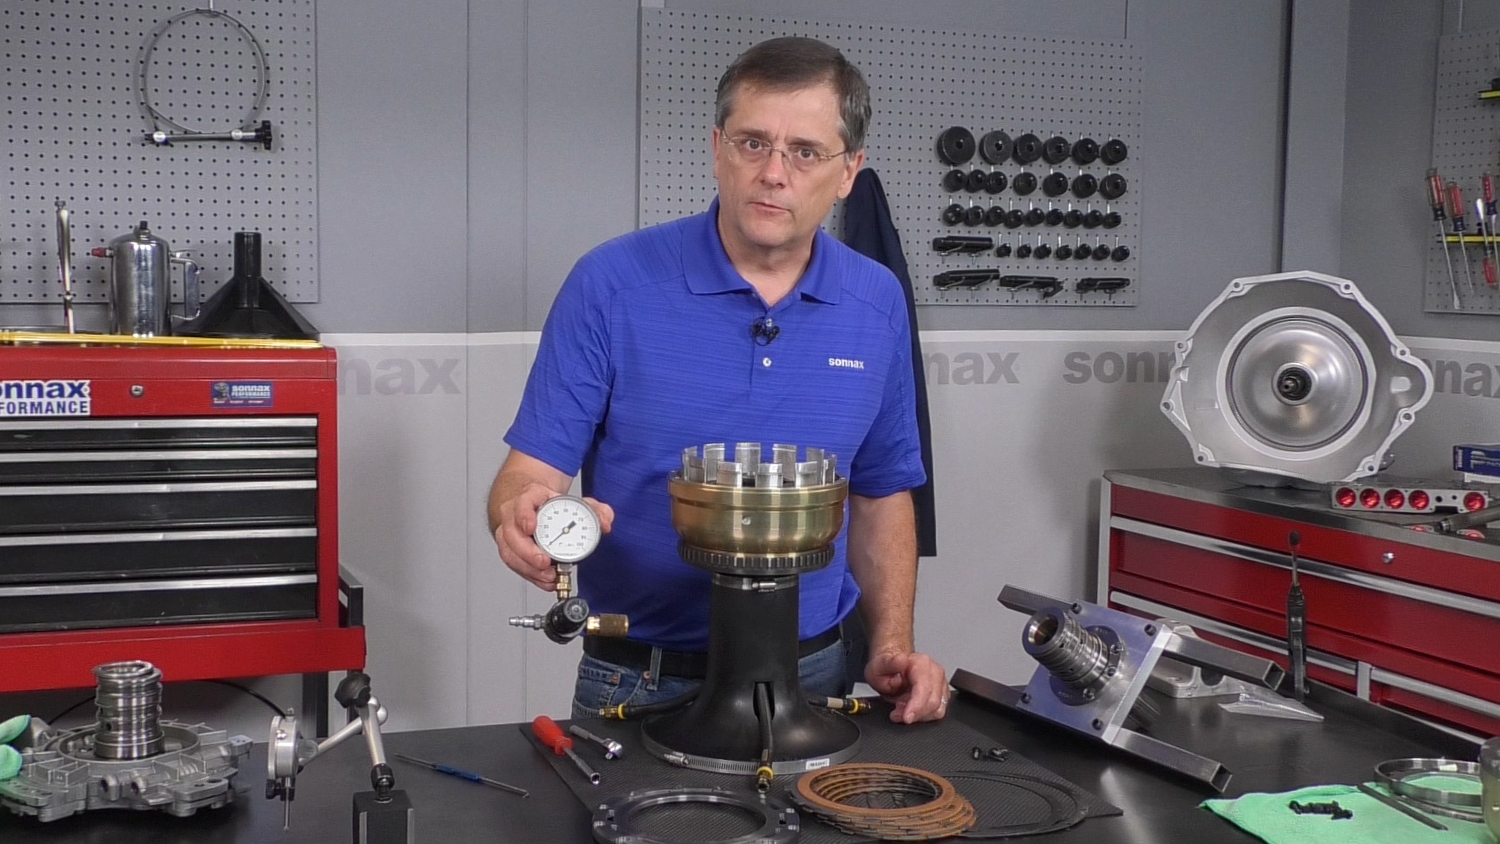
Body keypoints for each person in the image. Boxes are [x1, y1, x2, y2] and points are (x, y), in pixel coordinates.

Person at [488, 36, 947, 724]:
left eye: (806, 152)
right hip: (640, 679)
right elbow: (529, 473)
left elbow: (882, 494)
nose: (774, 173)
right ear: (716, 149)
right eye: (753, 143)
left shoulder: (877, 301)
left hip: (815, 673)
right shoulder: (611, 284)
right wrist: (518, 514)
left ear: (849, 171)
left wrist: (892, 645)